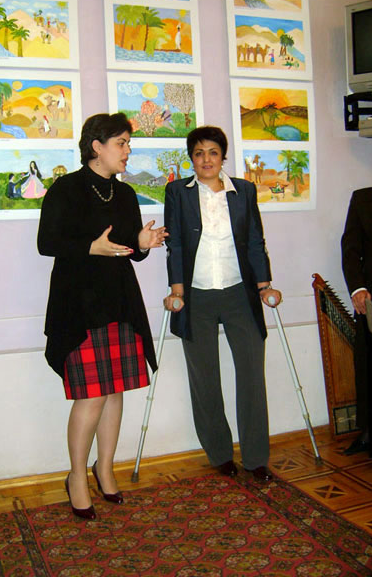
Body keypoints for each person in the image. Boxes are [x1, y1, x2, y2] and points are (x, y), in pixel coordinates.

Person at [38, 112, 168, 520]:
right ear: (97, 146)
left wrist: (142, 242)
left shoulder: (125, 194)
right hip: (79, 306)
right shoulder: (66, 189)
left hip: (119, 301)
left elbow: (128, 247)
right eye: (121, 143)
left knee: (115, 391)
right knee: (91, 395)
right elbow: (47, 242)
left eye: (128, 143)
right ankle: (77, 476)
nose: (128, 151)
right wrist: (90, 247)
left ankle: (105, 468)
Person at [164, 125, 282, 481]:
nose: (206, 159)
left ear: (223, 156)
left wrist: (264, 286)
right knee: (205, 379)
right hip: (196, 295)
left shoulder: (243, 190)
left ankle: (256, 458)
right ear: (192, 158)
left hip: (238, 293)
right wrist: (177, 291)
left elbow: (255, 241)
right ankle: (219, 453)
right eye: (199, 153)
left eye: (213, 152)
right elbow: (176, 244)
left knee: (251, 375)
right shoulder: (178, 192)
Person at [341, 187, 372, 457]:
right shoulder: (364, 199)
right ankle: (368, 433)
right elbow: (351, 249)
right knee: (368, 367)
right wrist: (357, 288)